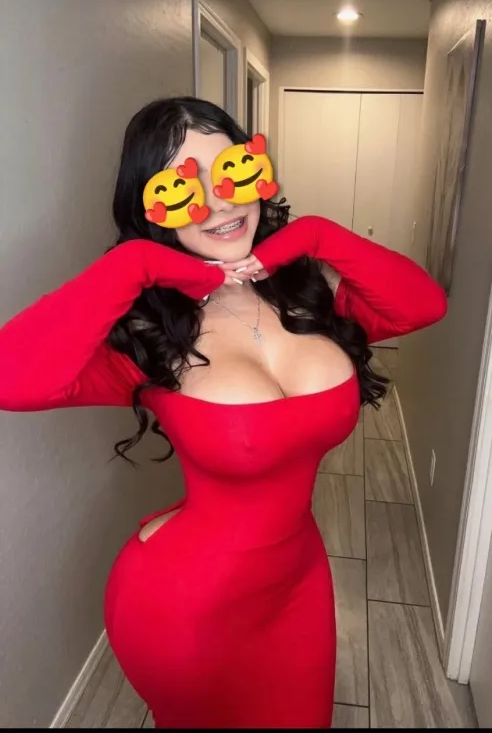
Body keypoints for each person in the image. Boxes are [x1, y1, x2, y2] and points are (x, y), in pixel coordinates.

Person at [0, 97, 447, 728]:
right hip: (185, 607)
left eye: (233, 171)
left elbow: (423, 304)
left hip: (299, 585)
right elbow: (11, 378)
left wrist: (318, 236)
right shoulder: (148, 335)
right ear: (149, 207)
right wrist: (137, 264)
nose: (219, 200)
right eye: (183, 187)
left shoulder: (307, 294)